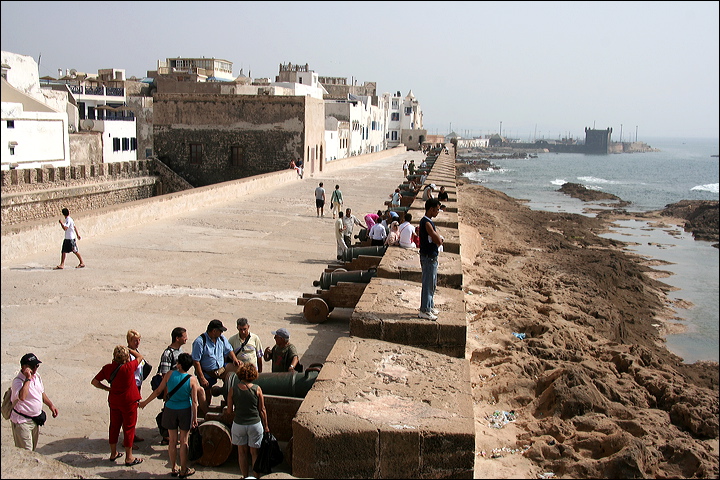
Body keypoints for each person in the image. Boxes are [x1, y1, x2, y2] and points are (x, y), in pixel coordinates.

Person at [139, 353, 199, 479]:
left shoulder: (169, 374)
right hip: (185, 410)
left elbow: (158, 391)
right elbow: (194, 402)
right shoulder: (192, 379)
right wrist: (195, 418)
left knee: (172, 441)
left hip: (170, 409)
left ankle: (173, 467)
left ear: (180, 365)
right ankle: (183, 469)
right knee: (184, 441)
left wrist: (145, 402)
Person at [91, 345, 144, 466]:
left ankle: (113, 453)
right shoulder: (129, 367)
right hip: (129, 402)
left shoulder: (108, 368)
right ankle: (129, 457)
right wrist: (130, 349)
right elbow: (140, 357)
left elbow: (95, 382)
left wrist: (107, 388)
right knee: (129, 428)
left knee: (114, 426)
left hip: (114, 400)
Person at [225, 363, 269, 479]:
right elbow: (262, 410)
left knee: (242, 453)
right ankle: (256, 477)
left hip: (239, 424)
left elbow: (229, 411)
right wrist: (266, 426)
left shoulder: (232, 390)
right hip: (254, 424)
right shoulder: (257, 389)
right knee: (254, 453)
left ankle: (245, 476)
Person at [9, 353, 59, 451]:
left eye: (37, 366)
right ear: (24, 367)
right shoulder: (17, 382)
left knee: (32, 450)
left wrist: (50, 405)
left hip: (35, 420)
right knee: (26, 452)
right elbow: (22, 397)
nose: (35, 369)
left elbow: (41, 393)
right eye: (32, 366)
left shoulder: (37, 376)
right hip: (22, 422)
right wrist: (27, 379)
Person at [191, 320, 239, 407]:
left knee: (240, 369)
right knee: (207, 396)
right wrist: (202, 378)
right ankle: (204, 411)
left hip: (221, 368)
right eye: (220, 331)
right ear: (214, 331)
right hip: (207, 372)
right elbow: (196, 361)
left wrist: (235, 359)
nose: (221, 333)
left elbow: (229, 350)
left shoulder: (221, 339)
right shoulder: (200, 342)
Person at [418, 198, 443, 320]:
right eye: (437, 210)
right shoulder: (426, 223)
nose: (438, 212)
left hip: (431, 256)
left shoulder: (429, 222)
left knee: (432, 284)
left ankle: (430, 305)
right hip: (428, 257)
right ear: (431, 209)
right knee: (427, 284)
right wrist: (439, 239)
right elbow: (438, 240)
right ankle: (424, 310)